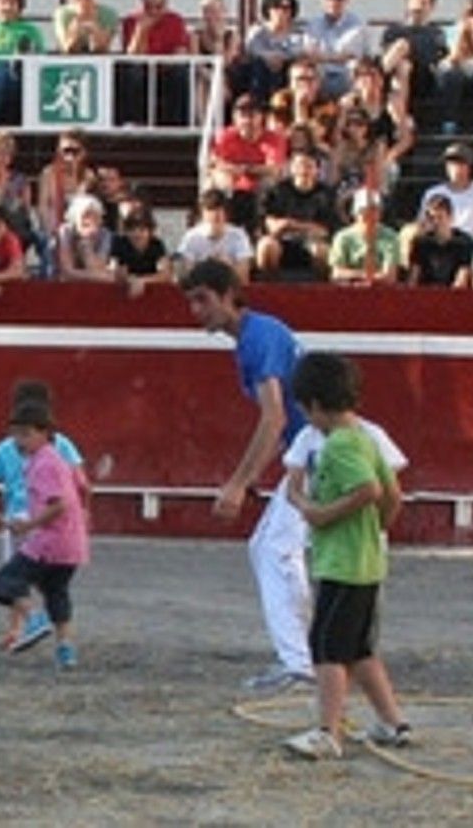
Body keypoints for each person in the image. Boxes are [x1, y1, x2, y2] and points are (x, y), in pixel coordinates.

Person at [188, 262, 317, 692]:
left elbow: (275, 416)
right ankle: (307, 653)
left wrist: (240, 482)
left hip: (317, 455)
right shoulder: (258, 334)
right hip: (311, 453)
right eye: (192, 300)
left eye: (203, 299)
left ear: (229, 296)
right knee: (276, 548)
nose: (196, 309)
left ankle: (300, 661)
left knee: (275, 548)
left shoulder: (256, 339)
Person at [279, 353, 412, 759]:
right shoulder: (365, 437)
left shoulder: (336, 445)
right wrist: (377, 529)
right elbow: (392, 495)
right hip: (367, 561)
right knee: (358, 649)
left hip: (342, 564)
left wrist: (318, 513)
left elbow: (368, 490)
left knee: (327, 647)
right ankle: (392, 722)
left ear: (315, 405)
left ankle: (327, 732)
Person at [0, 387, 89, 667]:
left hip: (49, 541)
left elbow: (57, 505)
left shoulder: (44, 462)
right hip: (72, 544)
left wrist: (28, 525)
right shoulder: (57, 459)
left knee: (8, 579)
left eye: (25, 434)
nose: (19, 441)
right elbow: (80, 488)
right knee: (57, 592)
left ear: (44, 432)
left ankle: (35, 619)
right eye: (16, 434)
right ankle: (65, 650)